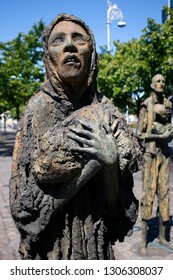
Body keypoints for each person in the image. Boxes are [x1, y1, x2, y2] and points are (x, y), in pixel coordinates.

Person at [9, 13, 143, 260]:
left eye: (78, 39)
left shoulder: (108, 110)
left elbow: (116, 208)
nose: (69, 45)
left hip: (97, 243)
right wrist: (91, 165)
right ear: (49, 57)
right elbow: (26, 208)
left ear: (91, 52)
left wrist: (110, 163)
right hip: (54, 248)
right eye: (58, 40)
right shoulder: (38, 108)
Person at [136, 74, 173, 256]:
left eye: (163, 81)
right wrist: (160, 136)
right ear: (152, 85)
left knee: (164, 194)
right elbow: (139, 134)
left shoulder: (168, 105)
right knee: (148, 194)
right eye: (158, 81)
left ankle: (163, 236)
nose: (161, 84)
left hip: (165, 155)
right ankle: (143, 241)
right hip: (150, 155)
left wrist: (169, 133)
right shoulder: (146, 105)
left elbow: (169, 129)